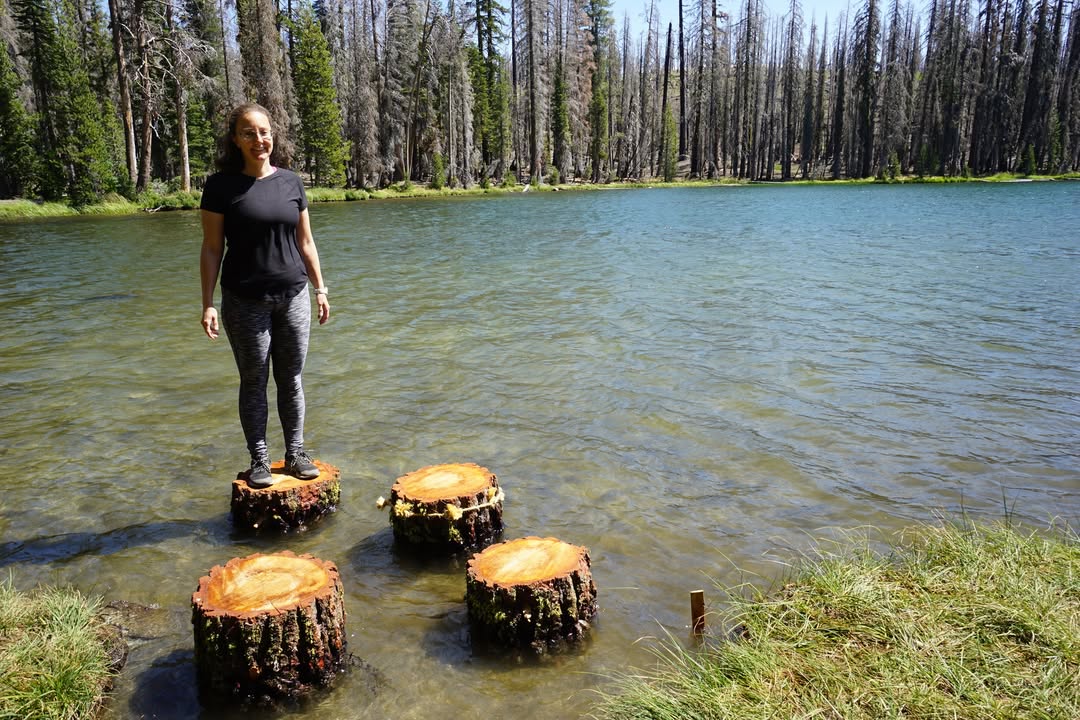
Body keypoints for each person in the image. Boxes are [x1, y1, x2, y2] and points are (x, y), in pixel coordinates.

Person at [199, 103, 330, 488]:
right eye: (249, 133)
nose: (260, 140)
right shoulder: (221, 187)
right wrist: (207, 302)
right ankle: (259, 459)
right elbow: (211, 249)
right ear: (235, 140)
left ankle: (295, 453)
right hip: (244, 300)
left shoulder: (291, 182)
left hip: (293, 295)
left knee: (291, 378)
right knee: (253, 381)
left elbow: (305, 241)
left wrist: (320, 288)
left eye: (265, 132)